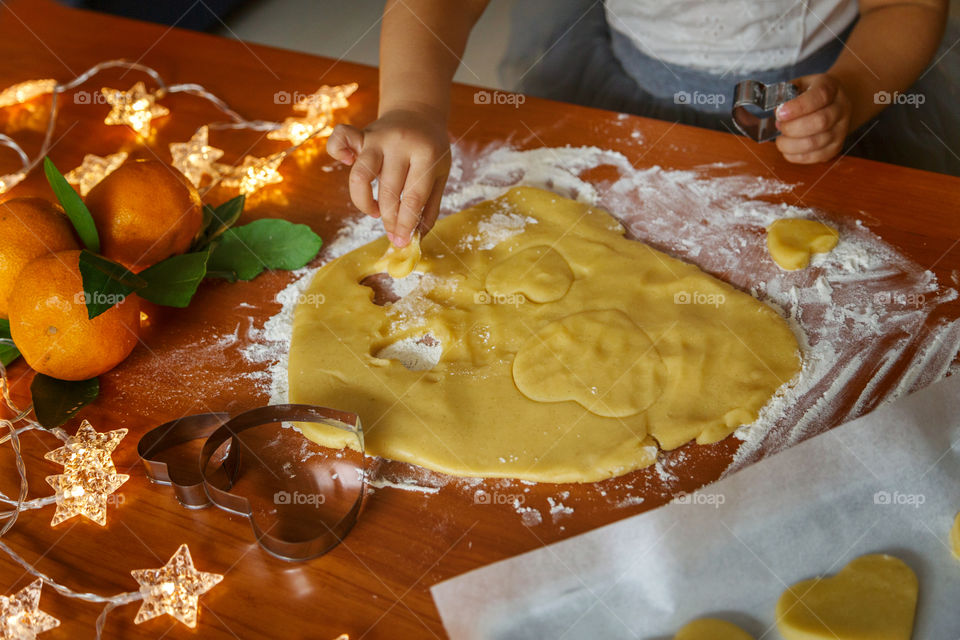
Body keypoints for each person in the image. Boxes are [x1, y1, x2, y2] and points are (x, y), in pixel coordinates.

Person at [327, 0, 954, 248]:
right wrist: (413, 105)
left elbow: (908, 4)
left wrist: (852, 90)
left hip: (832, 85)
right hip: (625, 83)